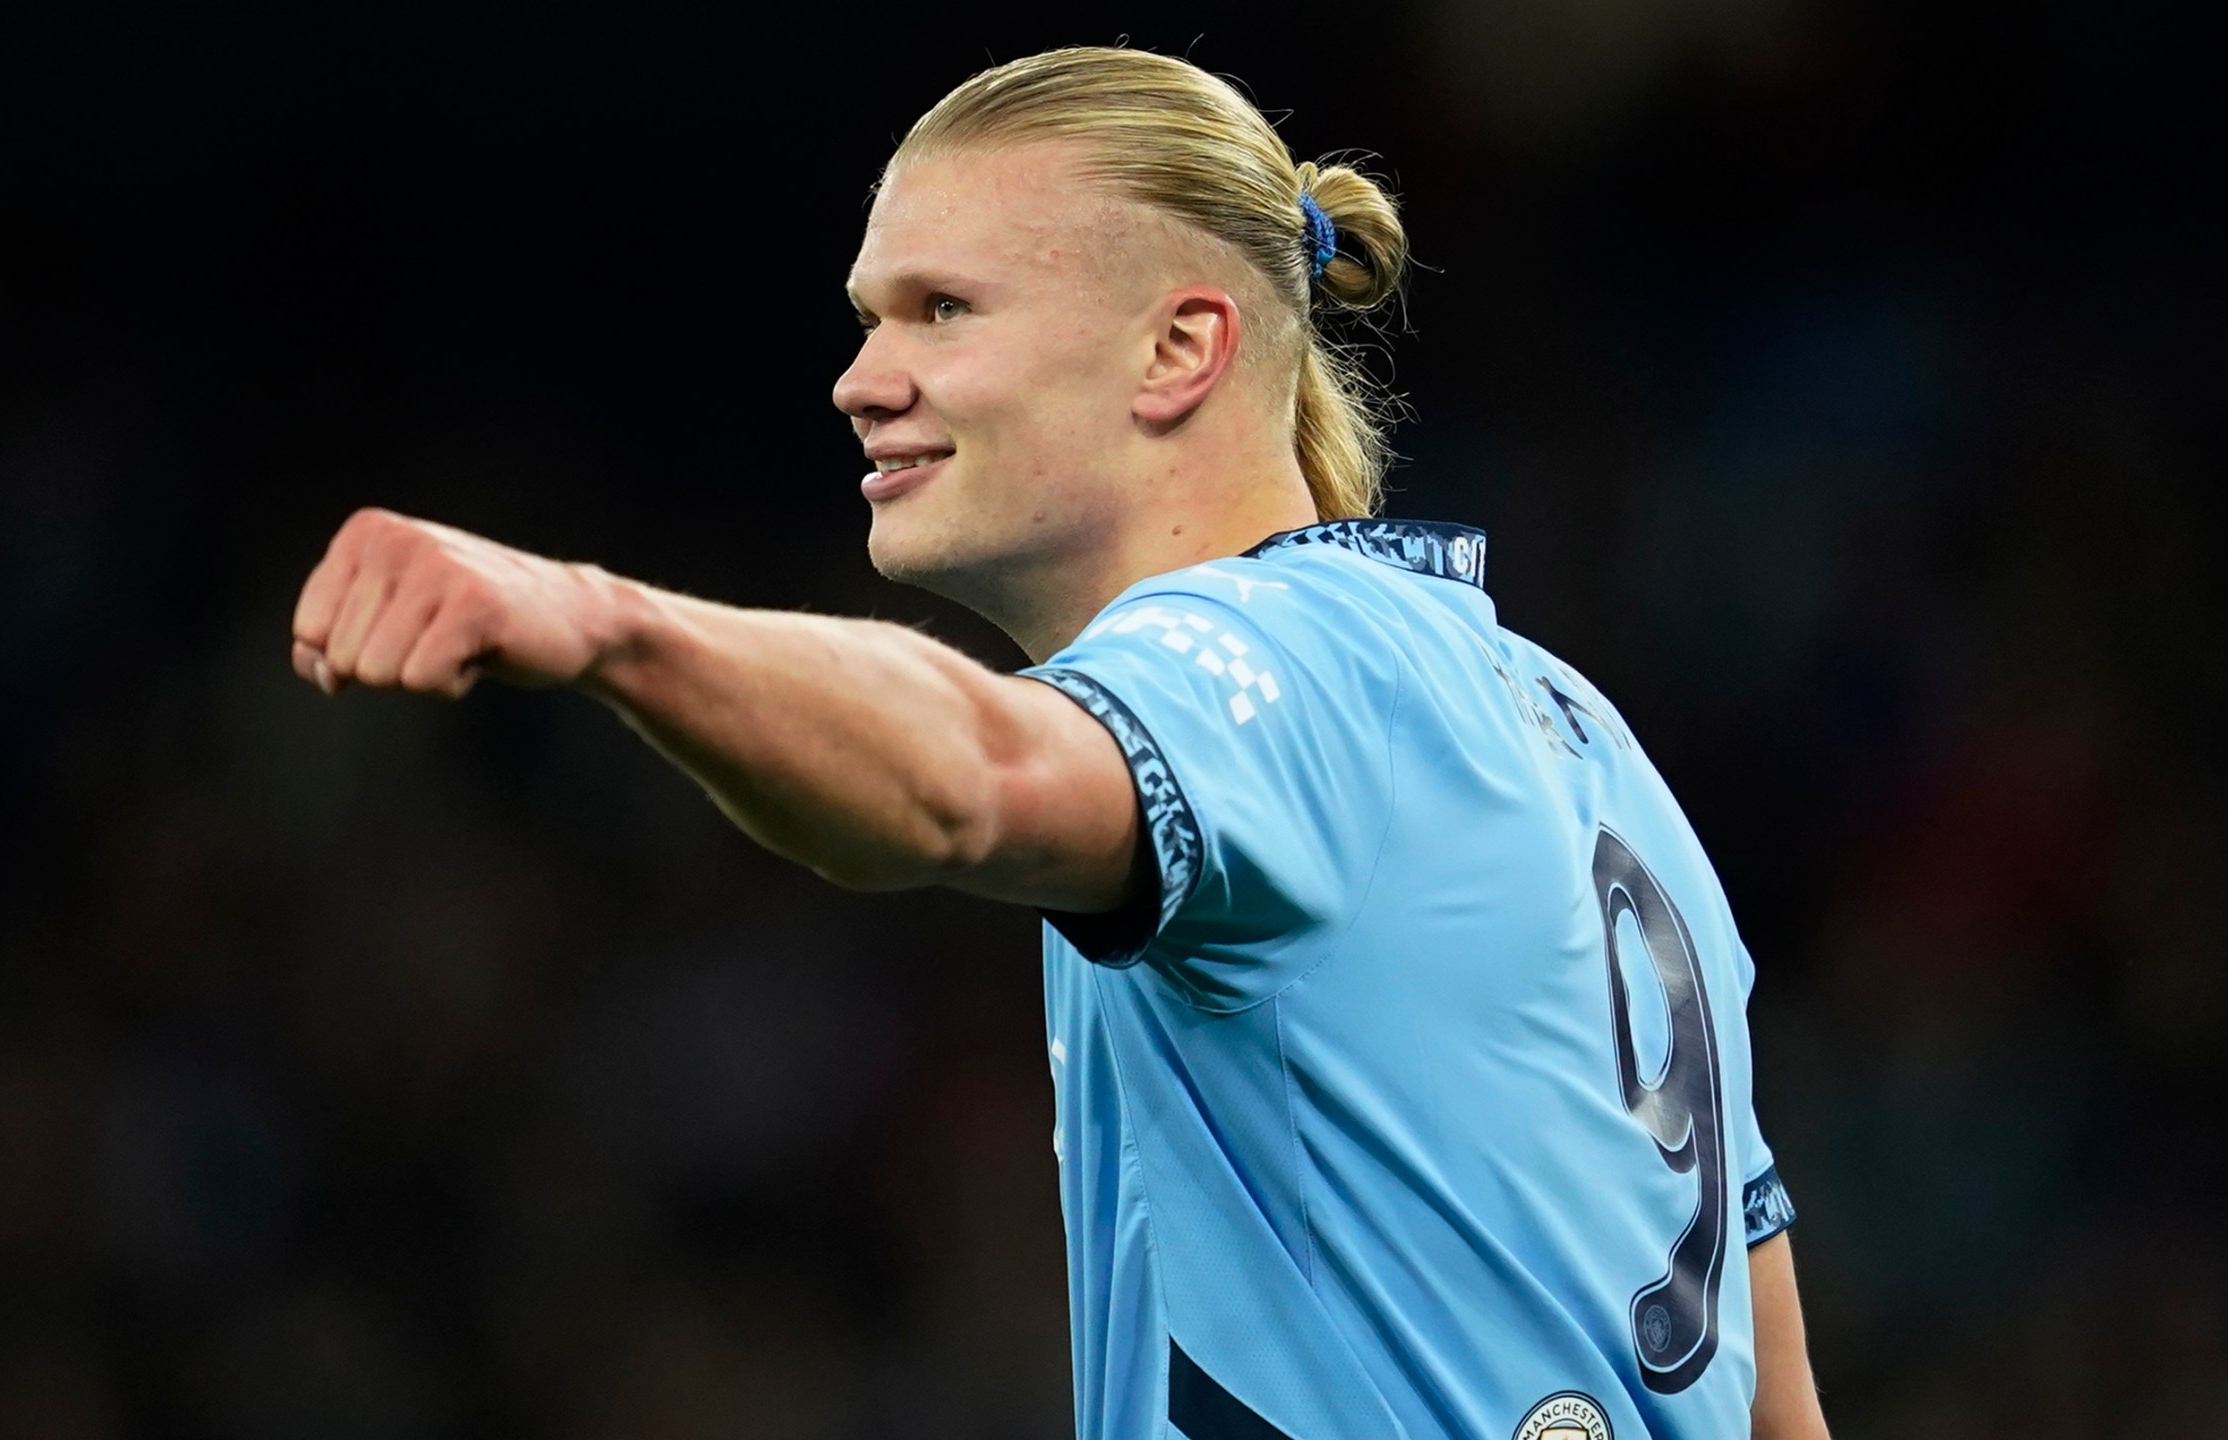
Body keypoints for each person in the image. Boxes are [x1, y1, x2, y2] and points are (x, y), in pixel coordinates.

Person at [287, 45, 1831, 1440]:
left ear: (1180, 351)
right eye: (868, 318)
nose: (860, 379)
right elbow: (1779, 1402)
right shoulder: (1571, 730)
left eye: (942, 311)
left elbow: (977, 779)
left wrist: (599, 621)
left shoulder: (1265, 661)